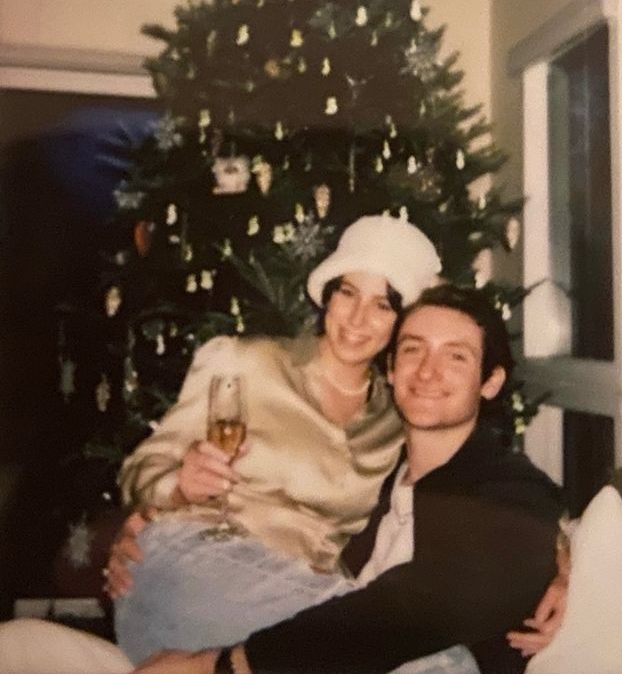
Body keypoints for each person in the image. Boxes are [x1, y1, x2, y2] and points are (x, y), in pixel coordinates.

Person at [0, 282, 566, 674]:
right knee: (19, 646)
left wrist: (222, 665)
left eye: (457, 358)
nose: (428, 371)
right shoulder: (383, 482)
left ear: (491, 383)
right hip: (297, 656)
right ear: (390, 370)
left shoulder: (509, 487)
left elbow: (420, 608)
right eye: (413, 350)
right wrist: (159, 510)